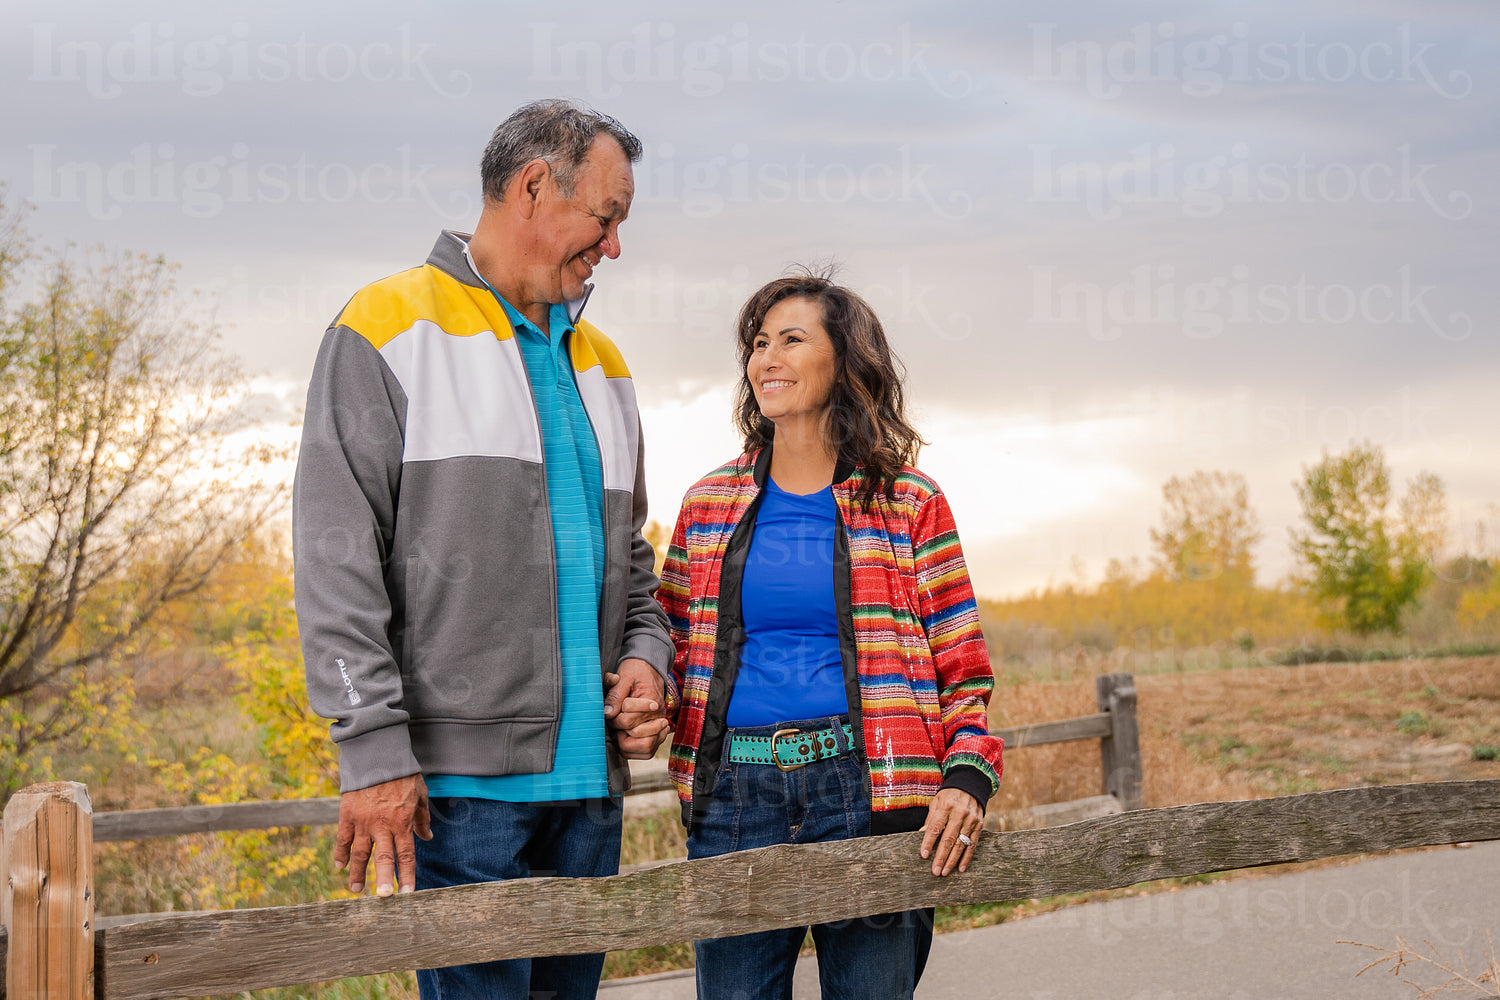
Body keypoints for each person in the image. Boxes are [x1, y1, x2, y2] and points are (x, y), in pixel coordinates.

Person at [292, 99, 673, 1000]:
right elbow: (334, 562)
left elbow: (634, 567)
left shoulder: (605, 364)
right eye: (606, 217)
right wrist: (373, 752)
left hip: (592, 795)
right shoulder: (385, 326)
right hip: (459, 796)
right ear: (535, 187)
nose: (613, 246)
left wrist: (645, 661)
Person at [653, 272, 1004, 1000]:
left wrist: (968, 777)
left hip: (867, 789)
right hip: (735, 798)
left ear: (843, 362)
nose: (766, 359)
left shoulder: (910, 502)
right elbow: (669, 646)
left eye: (791, 339)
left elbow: (962, 666)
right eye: (757, 343)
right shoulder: (708, 505)